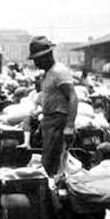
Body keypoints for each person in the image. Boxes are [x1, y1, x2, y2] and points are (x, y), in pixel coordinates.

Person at [30, 36, 78, 177]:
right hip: (50, 122)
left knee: (52, 166)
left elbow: (73, 97)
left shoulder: (59, 72)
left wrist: (69, 126)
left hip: (59, 121)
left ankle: (52, 195)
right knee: (49, 162)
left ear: (47, 56)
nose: (36, 63)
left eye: (37, 59)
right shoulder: (48, 73)